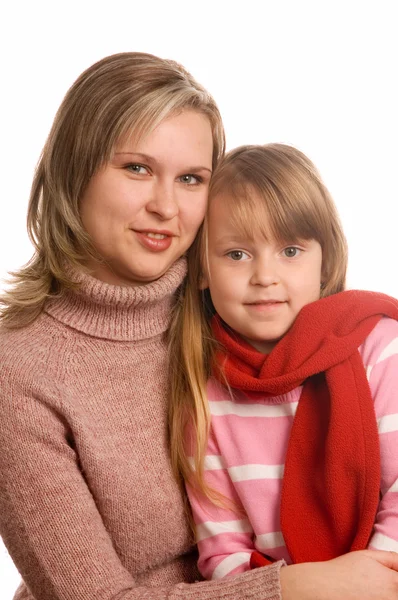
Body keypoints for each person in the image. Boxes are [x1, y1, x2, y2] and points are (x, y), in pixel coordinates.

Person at [0, 54, 397, 600]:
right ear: (76, 169)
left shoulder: (240, 306)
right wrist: (293, 589)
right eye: (136, 168)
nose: (165, 206)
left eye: (190, 178)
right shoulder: (19, 371)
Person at [169, 144, 398, 582]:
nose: (265, 276)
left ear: (324, 259)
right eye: (237, 254)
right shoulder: (205, 393)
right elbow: (222, 553)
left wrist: (369, 581)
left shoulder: (379, 348)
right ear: (201, 271)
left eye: (290, 251)